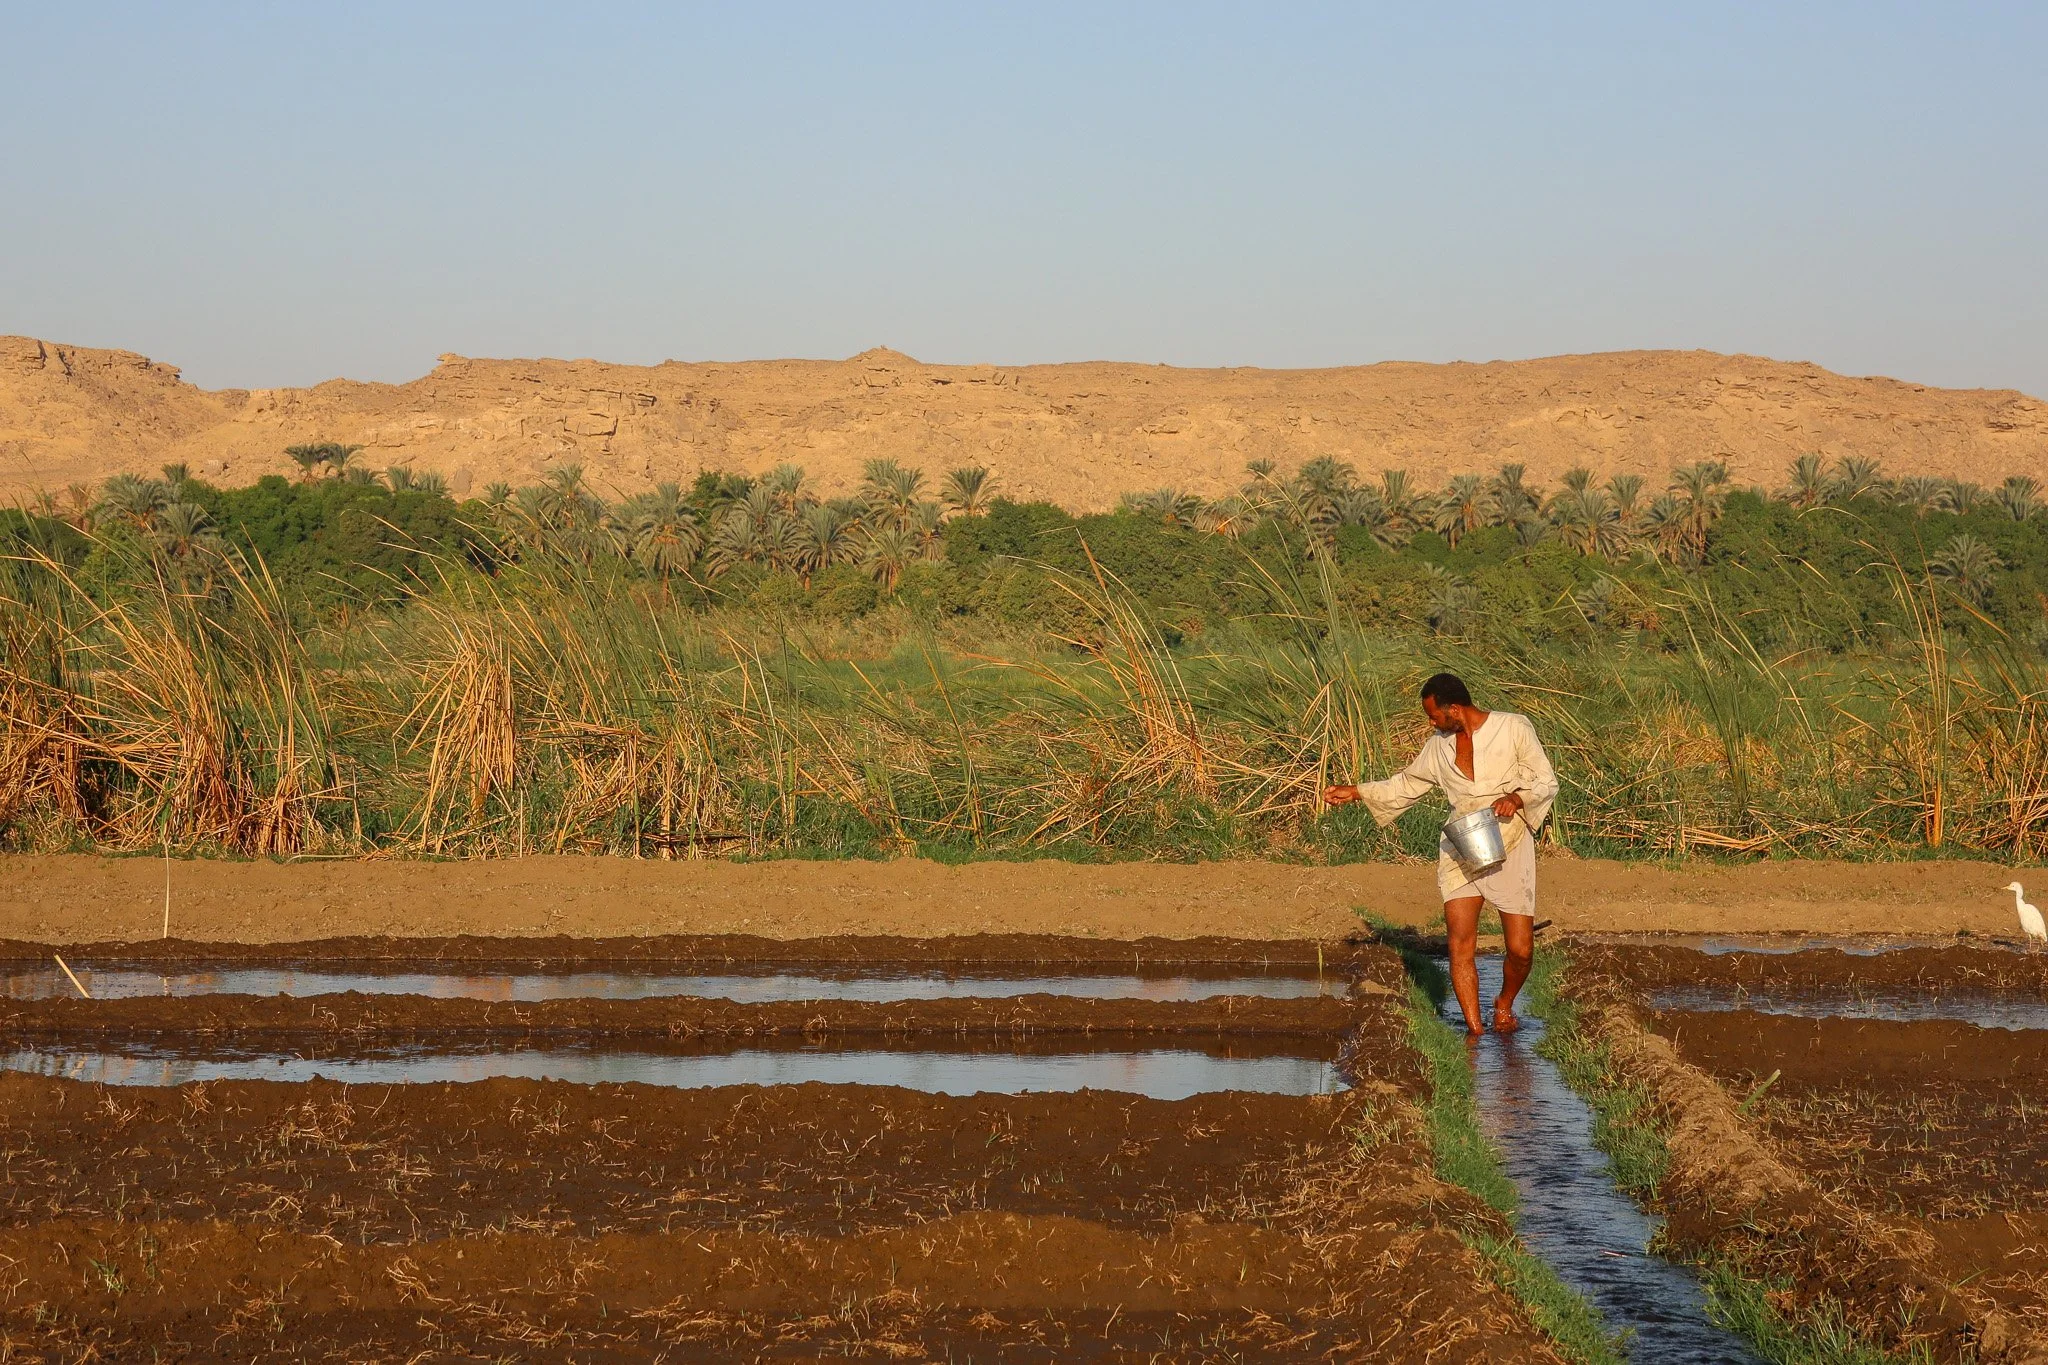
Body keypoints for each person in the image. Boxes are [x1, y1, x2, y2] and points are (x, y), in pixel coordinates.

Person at [1325, 673, 1558, 1035]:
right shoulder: (1439, 746)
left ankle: (1504, 1004)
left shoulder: (1513, 728)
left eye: (1433, 716)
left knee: (1521, 949)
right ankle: (1476, 1032)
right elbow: (1407, 784)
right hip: (1460, 846)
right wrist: (1356, 792)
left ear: (1454, 708)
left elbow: (1545, 779)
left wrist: (1517, 798)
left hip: (1510, 842)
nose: (1431, 723)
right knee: (1460, 945)